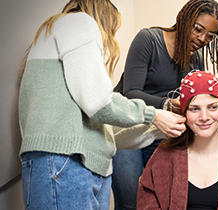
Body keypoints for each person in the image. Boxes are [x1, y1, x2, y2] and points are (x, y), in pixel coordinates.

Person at [18, 0, 187, 209]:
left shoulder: (57, 34)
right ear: (108, 11)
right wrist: (153, 114)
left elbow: (107, 135)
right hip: (66, 165)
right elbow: (100, 104)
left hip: (77, 165)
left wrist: (157, 127)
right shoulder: (79, 23)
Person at [111, 0, 218, 209]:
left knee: (164, 200)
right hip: (128, 130)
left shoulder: (195, 58)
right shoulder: (148, 40)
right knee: (130, 202)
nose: (202, 39)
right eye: (198, 29)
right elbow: (130, 94)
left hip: (162, 133)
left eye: (210, 36)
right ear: (183, 18)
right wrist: (166, 104)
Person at [137, 70, 218, 209]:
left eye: (212, 107)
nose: (204, 117)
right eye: (194, 109)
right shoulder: (163, 157)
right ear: (184, 112)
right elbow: (146, 201)